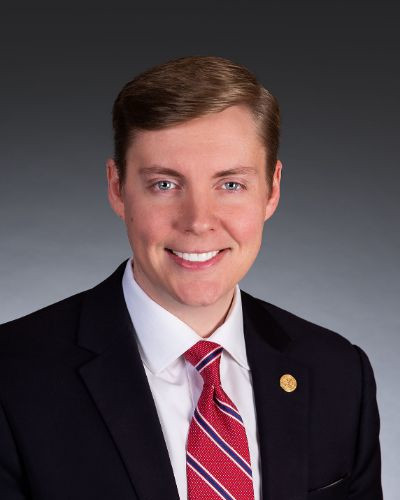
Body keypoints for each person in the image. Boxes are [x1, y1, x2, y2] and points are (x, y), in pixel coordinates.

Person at [0, 56, 382, 500]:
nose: (198, 222)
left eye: (231, 184)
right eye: (165, 184)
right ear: (117, 187)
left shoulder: (338, 373)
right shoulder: (13, 378)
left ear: (272, 190)